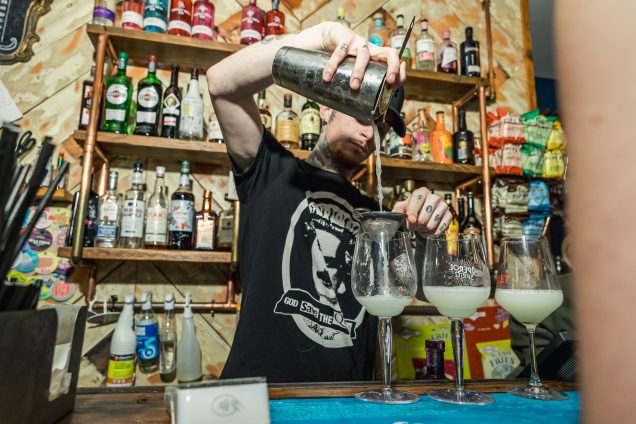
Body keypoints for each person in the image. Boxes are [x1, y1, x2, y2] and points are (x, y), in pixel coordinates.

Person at [206, 21, 452, 383]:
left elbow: (416, 288)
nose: (369, 132)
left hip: (348, 399)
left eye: (381, 125)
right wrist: (321, 37)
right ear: (326, 107)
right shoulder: (271, 171)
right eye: (361, 111)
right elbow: (221, 83)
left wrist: (425, 234)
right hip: (261, 396)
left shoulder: (376, 216)